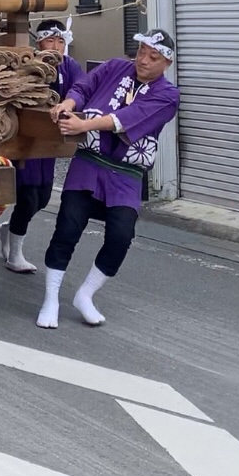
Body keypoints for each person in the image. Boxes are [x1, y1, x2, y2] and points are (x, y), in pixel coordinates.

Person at [36, 29, 179, 329]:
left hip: (126, 175)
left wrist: (83, 124)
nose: (143, 60)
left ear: (166, 63)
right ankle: (51, 298)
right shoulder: (115, 66)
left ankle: (85, 294)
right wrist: (69, 104)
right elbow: (84, 86)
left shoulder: (167, 96)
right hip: (88, 164)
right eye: (141, 51)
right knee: (67, 228)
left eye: (153, 57)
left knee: (121, 236)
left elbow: (125, 119)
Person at [0, 19, 83, 273]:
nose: (56, 46)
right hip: (24, 137)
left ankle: (8, 230)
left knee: (44, 197)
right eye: (50, 40)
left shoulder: (70, 66)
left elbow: (81, 89)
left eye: (60, 41)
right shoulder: (28, 63)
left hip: (50, 140)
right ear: (39, 41)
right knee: (28, 195)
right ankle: (15, 254)